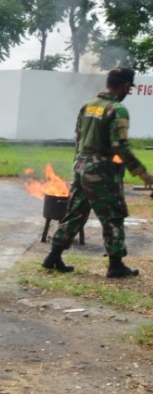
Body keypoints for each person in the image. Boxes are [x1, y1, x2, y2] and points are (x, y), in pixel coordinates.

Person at [43, 66, 153, 279]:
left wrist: (80, 164)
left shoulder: (88, 106)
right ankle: (116, 265)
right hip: (102, 172)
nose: (129, 92)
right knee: (113, 216)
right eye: (130, 88)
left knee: (75, 214)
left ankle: (53, 256)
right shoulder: (117, 109)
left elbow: (78, 138)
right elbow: (119, 146)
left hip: (81, 167)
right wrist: (142, 173)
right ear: (124, 86)